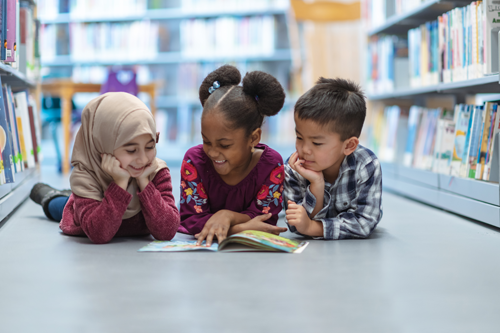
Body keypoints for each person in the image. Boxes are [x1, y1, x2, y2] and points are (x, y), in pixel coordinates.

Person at [29, 92, 180, 244]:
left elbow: (167, 231)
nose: (142, 159)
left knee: (73, 198)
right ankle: (48, 194)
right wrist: (120, 183)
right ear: (104, 144)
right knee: (59, 205)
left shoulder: (155, 171)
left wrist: (144, 182)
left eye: (149, 146)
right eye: (131, 150)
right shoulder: (86, 176)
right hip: (83, 215)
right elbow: (99, 234)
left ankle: (70, 195)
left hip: (103, 199)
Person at [179, 65, 288, 246]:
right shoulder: (194, 161)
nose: (213, 152)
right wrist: (239, 229)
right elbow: (191, 219)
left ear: (253, 138)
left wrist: (226, 216)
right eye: (206, 141)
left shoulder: (271, 165)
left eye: (225, 145)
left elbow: (265, 221)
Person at [284, 78, 382, 239]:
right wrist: (317, 184)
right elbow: (295, 225)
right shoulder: (293, 167)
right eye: (299, 137)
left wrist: (312, 227)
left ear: (349, 145)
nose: (304, 149)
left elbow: (364, 223)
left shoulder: (366, 165)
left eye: (316, 143)